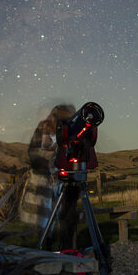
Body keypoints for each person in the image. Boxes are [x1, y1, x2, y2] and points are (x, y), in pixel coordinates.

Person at [20, 104, 79, 250]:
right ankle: (43, 249)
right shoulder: (43, 128)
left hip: (61, 179)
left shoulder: (71, 131)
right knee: (43, 218)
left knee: (64, 215)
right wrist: (50, 157)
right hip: (42, 180)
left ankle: (65, 249)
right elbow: (33, 153)